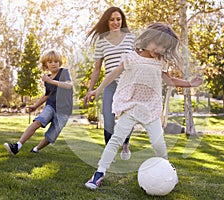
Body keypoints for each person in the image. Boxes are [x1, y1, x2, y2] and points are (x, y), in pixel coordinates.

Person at [84, 22, 203, 190]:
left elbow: (169, 81)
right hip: (132, 105)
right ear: (148, 39)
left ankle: (167, 170)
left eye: (164, 47)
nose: (159, 49)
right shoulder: (131, 56)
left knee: (158, 143)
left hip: (151, 107)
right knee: (116, 138)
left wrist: (189, 83)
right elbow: (112, 74)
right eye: (157, 44)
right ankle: (99, 173)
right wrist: (97, 90)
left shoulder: (160, 62)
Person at [85, 7, 135, 160]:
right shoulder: (101, 42)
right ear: (107, 22)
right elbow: (97, 69)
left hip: (128, 83)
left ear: (122, 20)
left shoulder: (131, 38)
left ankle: (125, 143)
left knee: (128, 116)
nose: (115, 22)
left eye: (118, 19)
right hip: (110, 83)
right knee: (108, 116)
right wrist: (91, 89)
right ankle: (110, 150)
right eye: (112, 19)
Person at [4, 49, 73, 155]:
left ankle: (36, 149)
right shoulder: (48, 78)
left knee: (51, 135)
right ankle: (17, 146)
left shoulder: (64, 72)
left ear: (60, 62)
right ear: (46, 65)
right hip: (51, 106)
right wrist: (35, 106)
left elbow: (69, 85)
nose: (53, 64)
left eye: (56, 61)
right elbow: (47, 95)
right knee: (38, 121)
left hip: (64, 111)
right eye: (50, 62)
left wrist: (51, 81)